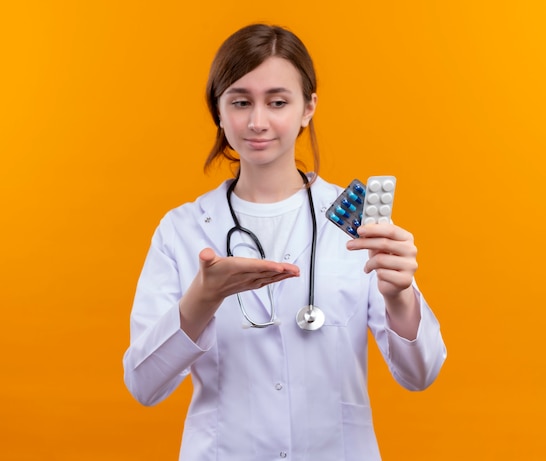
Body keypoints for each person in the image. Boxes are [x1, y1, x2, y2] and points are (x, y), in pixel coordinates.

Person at [123, 23, 446, 461]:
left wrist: (400, 296)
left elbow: (420, 374)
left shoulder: (357, 221)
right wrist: (202, 299)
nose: (258, 122)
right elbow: (144, 386)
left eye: (278, 102)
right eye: (240, 102)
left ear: (308, 107)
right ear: (218, 110)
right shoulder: (182, 230)